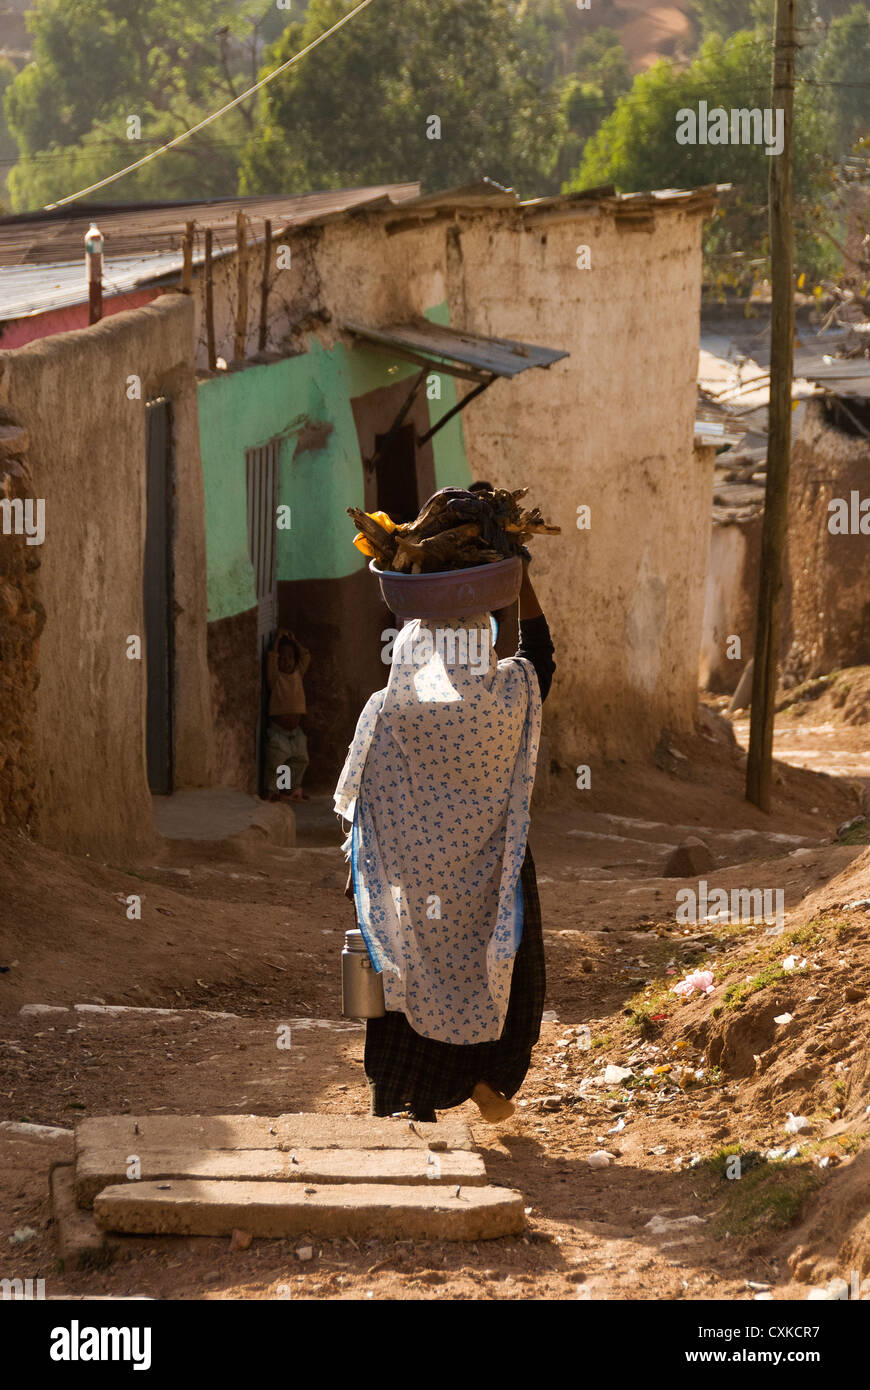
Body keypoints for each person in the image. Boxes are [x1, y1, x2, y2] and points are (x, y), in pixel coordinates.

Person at [335, 551, 555, 1124]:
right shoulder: (509, 699)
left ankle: (403, 1099)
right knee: (503, 971)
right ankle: (487, 1077)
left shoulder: (392, 710)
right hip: (490, 879)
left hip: (412, 894)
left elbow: (367, 814)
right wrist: (521, 581)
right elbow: (540, 653)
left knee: (409, 981)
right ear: (481, 644)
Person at [265, 629, 310, 802]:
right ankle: (273, 791)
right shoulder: (275, 678)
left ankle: (289, 790)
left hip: (295, 731)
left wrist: (294, 640)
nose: (286, 662)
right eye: (282, 659)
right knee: (277, 760)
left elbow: (306, 656)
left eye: (290, 658)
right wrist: (277, 643)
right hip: (279, 731)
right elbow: (271, 658)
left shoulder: (298, 674)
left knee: (299, 760)